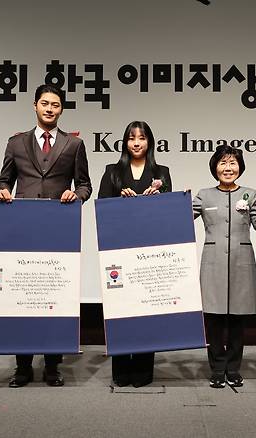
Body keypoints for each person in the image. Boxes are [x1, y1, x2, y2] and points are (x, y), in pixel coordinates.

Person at [0, 84, 92, 388]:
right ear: (35, 106)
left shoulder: (73, 145)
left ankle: (53, 365)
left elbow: (86, 186)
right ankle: (22, 366)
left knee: (55, 296)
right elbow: (3, 179)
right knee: (22, 296)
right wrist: (2, 190)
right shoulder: (16, 143)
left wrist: (74, 194)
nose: (50, 109)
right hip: (23, 229)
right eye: (45, 103)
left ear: (61, 110)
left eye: (56, 105)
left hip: (58, 229)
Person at [98, 120, 171, 387]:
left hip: (149, 254)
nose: (136, 142)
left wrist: (157, 196)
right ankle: (121, 367)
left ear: (150, 141)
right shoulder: (112, 171)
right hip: (118, 251)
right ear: (125, 142)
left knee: (146, 308)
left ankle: (143, 368)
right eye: (131, 138)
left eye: (141, 138)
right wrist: (120, 199)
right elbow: (102, 209)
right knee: (121, 308)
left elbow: (168, 213)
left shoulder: (161, 171)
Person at [193, 145, 256, 388]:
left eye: (233, 163)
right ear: (215, 167)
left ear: (240, 167)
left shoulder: (250, 194)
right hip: (213, 263)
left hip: (241, 263)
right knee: (213, 321)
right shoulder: (204, 195)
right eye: (223, 163)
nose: (228, 168)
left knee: (236, 321)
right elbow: (179, 218)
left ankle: (233, 369)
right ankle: (217, 368)